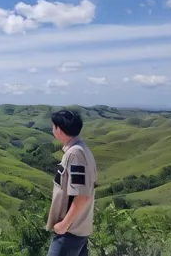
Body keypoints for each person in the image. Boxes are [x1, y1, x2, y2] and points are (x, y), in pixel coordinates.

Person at [45, 109, 97, 256]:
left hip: (71, 230)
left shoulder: (75, 154)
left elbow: (82, 195)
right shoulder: (80, 148)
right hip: (78, 227)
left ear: (59, 129)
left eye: (53, 126)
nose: (52, 129)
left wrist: (64, 224)